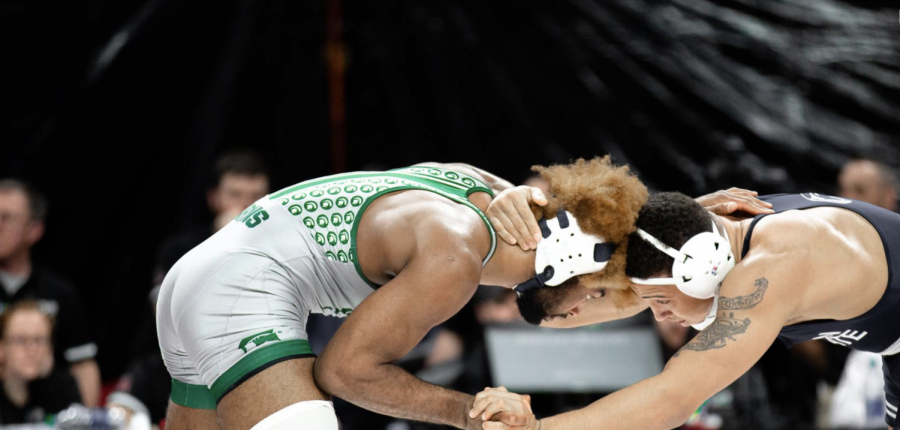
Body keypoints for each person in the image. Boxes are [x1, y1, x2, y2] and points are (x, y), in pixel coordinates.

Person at [156, 157, 764, 430]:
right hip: (241, 291)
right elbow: (345, 372)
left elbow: (595, 211)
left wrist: (674, 219)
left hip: (203, 277)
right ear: (570, 261)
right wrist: (468, 415)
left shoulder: (483, 190)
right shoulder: (455, 259)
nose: (584, 313)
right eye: (599, 296)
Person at [470, 189, 900, 430]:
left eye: (659, 302)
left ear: (701, 269)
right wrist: (521, 238)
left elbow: (673, 399)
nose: (657, 316)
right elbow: (562, 317)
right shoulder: (711, 242)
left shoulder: (772, 268)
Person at [0, 179, 101, 407]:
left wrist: (87, 418)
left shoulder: (59, 293)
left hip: (49, 412)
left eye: (7, 218)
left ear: (34, 230)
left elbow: (82, 363)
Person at [0, 301, 82, 425]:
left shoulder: (63, 386)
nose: (32, 349)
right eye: (21, 340)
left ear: (50, 348)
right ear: (2, 347)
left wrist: (48, 381)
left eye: (39, 340)